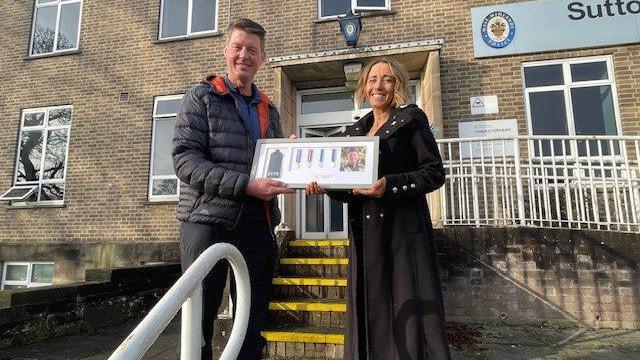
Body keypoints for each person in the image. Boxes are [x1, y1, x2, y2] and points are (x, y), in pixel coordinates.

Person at [306, 58, 451, 359]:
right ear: (364, 86)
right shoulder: (355, 131)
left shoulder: (411, 119)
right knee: (370, 306)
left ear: (397, 84)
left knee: (405, 302)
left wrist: (391, 184)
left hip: (402, 231)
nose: (378, 85)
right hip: (365, 231)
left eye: (386, 79)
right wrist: (321, 184)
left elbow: (434, 172)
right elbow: (346, 186)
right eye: (372, 79)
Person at [172, 18, 294, 359]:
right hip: (207, 220)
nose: (244, 55)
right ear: (226, 50)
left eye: (252, 50)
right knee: (199, 318)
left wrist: (296, 164)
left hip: (258, 222)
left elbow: (274, 165)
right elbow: (185, 162)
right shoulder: (201, 98)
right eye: (238, 47)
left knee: (251, 321)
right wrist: (246, 185)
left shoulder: (269, 108)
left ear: (262, 57)